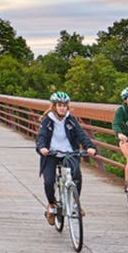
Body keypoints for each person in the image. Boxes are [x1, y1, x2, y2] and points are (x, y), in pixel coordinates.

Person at [35, 91, 96, 225]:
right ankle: (51, 205)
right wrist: (42, 147)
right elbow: (41, 136)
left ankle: (76, 204)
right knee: (49, 181)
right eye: (60, 105)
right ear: (54, 106)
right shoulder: (47, 121)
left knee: (77, 176)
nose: (63, 108)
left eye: (65, 105)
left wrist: (90, 147)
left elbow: (81, 135)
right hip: (51, 154)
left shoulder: (71, 120)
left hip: (69, 153)